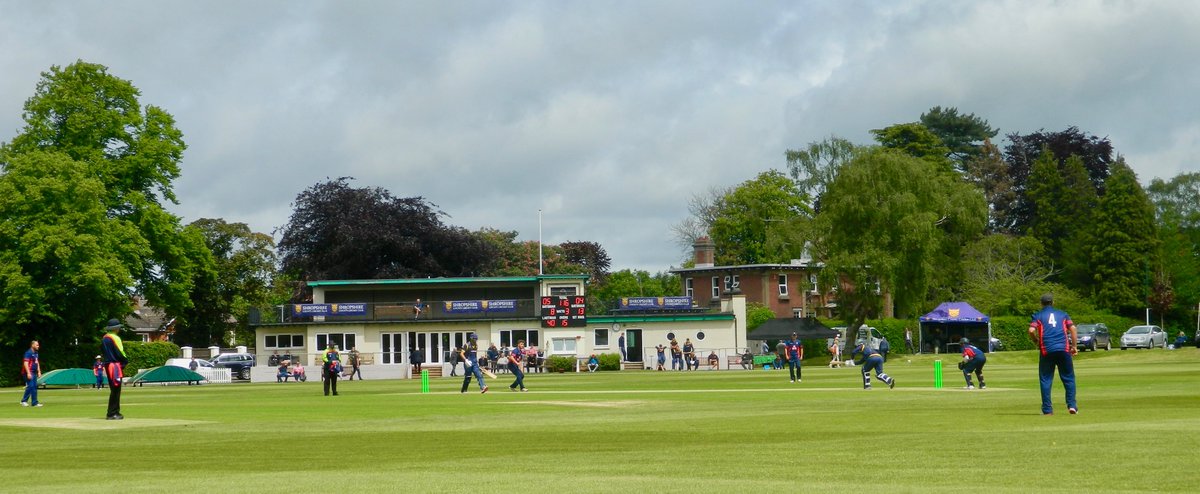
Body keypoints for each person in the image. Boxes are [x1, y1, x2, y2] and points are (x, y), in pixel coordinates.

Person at [1028, 293, 1078, 415]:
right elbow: (1073, 328)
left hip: (1047, 350)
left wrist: (1036, 341)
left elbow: (1031, 330)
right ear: (1053, 302)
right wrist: (1074, 346)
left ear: (1041, 303)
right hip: (1063, 349)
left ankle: (1047, 410)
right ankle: (1072, 406)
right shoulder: (1063, 314)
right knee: (1068, 378)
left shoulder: (1038, 315)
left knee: (1045, 379)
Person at [101, 319, 129, 419]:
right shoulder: (115, 338)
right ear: (116, 328)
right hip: (115, 365)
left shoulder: (104, 338)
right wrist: (125, 361)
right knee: (116, 389)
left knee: (114, 389)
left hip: (108, 365)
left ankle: (113, 412)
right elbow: (120, 352)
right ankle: (113, 413)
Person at [21, 340, 42, 407]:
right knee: (31, 386)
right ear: (32, 345)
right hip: (28, 372)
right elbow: (25, 363)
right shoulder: (28, 353)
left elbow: (37, 362)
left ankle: (31, 402)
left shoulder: (36, 353)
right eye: (37, 345)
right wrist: (28, 373)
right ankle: (31, 402)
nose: (38, 346)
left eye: (38, 345)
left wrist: (39, 371)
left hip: (34, 372)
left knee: (33, 387)